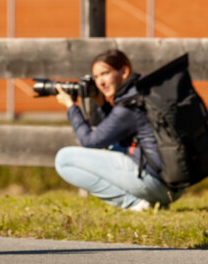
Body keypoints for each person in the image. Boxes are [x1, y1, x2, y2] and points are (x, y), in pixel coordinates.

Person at [53, 50, 183, 210]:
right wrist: (102, 104)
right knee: (112, 146)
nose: (100, 82)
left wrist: (71, 106)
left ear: (124, 71)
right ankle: (157, 203)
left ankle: (135, 204)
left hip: (154, 184)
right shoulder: (142, 93)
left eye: (105, 73)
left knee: (63, 159)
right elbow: (114, 131)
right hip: (174, 186)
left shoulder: (129, 105)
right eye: (96, 77)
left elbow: (89, 141)